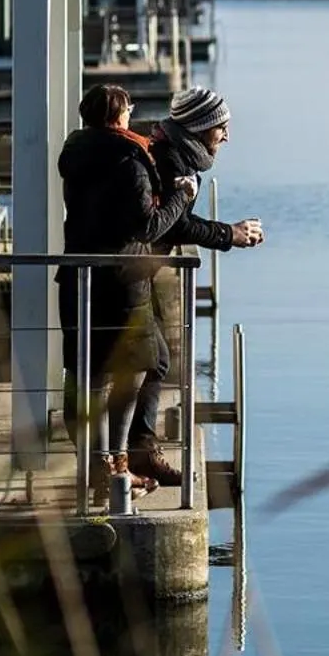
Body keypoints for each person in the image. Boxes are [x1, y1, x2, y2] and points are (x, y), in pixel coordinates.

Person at [56, 83, 195, 499]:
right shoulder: (129, 159)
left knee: (86, 375)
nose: (133, 114)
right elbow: (148, 227)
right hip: (122, 283)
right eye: (130, 108)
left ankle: (102, 469)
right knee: (130, 373)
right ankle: (116, 467)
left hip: (78, 279)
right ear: (119, 115)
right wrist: (181, 196)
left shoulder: (76, 152)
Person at [124, 85, 263, 487]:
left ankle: (131, 451)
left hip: (140, 270)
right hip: (131, 271)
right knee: (154, 359)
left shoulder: (177, 154)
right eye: (222, 127)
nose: (227, 136)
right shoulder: (171, 159)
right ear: (202, 127)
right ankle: (131, 454)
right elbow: (177, 223)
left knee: (153, 359)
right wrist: (229, 234)